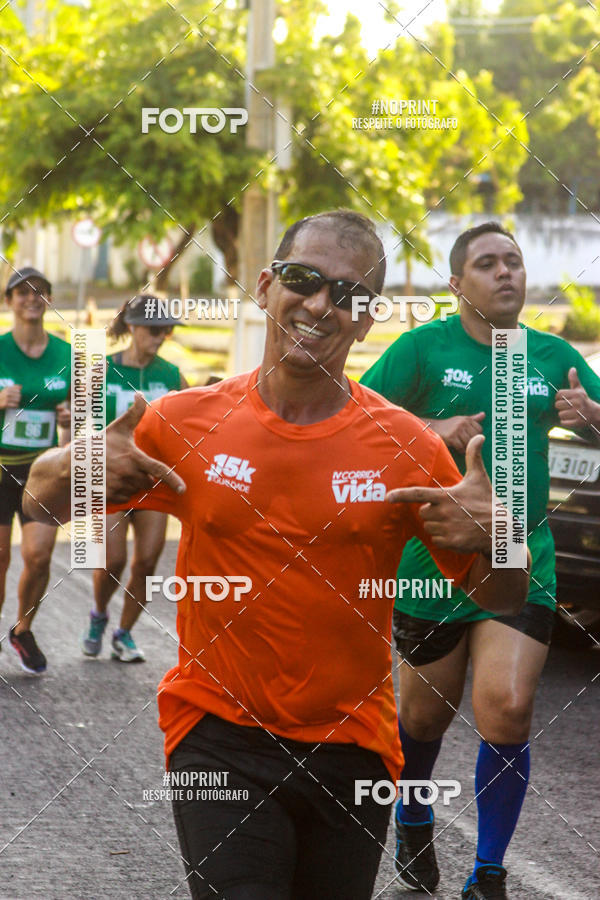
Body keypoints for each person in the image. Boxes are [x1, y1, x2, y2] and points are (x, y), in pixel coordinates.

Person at [24, 211, 528, 900]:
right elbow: (41, 501)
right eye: (302, 279)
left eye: (347, 293)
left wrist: (501, 538)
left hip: (353, 746)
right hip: (219, 733)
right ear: (265, 287)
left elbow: (502, 595)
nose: (320, 303)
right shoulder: (182, 421)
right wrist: (73, 462)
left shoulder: (407, 445)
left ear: (367, 317)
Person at [361, 221, 600, 899]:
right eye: (488, 264)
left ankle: (488, 872)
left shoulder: (553, 356)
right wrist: (432, 430)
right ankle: (412, 816)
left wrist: (594, 415)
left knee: (508, 708)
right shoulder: (421, 350)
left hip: (522, 559)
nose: (506, 274)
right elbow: (355, 422)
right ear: (456, 283)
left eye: (514, 263)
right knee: (422, 722)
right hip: (430, 564)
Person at [81, 294, 187, 663]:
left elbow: (190, 424)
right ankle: (98, 614)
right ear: (132, 326)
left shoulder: (172, 376)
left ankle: (123, 633)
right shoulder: (103, 370)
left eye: (167, 330)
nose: (161, 336)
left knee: (146, 561)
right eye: (155, 329)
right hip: (110, 479)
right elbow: (82, 423)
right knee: (113, 559)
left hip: (152, 483)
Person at [0, 267, 71, 674]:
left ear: (49, 300)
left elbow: (84, 417)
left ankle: (23, 628)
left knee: (39, 555)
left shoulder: (65, 354)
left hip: (41, 471)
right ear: (9, 301)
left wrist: (67, 420)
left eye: (40, 292)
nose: (32, 298)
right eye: (22, 292)